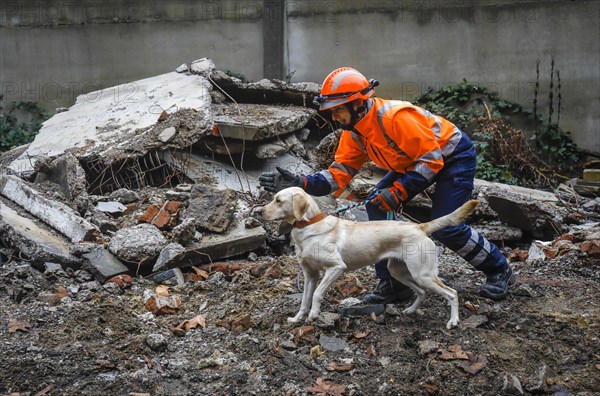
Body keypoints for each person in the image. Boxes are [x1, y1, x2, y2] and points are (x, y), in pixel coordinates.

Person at [259, 67, 515, 303]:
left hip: (451, 157)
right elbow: (339, 175)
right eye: (332, 110)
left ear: (357, 103)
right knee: (378, 205)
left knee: (447, 227)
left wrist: (398, 191)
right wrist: (300, 182)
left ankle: (499, 269)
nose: (334, 116)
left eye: (338, 109)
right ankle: (393, 284)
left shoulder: (395, 118)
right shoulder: (354, 131)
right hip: (414, 163)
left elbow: (432, 161)